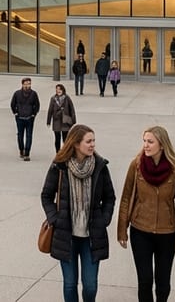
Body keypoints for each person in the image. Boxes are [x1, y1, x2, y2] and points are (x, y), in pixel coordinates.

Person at [40, 124, 116, 302]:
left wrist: (104, 219)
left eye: (93, 141)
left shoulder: (100, 166)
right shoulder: (59, 167)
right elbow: (46, 196)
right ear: (75, 143)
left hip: (91, 237)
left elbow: (110, 197)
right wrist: (55, 218)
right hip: (67, 236)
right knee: (69, 284)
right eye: (88, 141)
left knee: (90, 286)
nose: (92, 145)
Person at [117, 126, 175, 302]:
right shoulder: (136, 165)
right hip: (140, 230)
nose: (146, 145)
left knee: (163, 283)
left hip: (167, 233)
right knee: (145, 280)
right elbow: (126, 197)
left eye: (150, 142)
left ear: (162, 145)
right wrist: (121, 230)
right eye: (144, 141)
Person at [10, 77, 40, 161]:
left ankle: (27, 153)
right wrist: (15, 113)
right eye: (26, 84)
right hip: (20, 117)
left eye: (29, 83)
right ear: (22, 84)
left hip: (30, 118)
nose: (27, 85)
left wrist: (34, 114)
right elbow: (13, 104)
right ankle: (21, 149)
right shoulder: (17, 93)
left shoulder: (34, 94)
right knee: (20, 135)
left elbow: (37, 104)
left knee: (29, 135)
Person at [46, 84, 77, 152]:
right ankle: (58, 152)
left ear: (63, 90)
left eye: (60, 89)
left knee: (65, 138)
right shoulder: (53, 98)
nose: (58, 91)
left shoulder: (67, 98)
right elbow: (50, 110)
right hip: (56, 120)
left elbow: (72, 109)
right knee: (57, 138)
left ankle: (65, 152)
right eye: (57, 89)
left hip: (65, 121)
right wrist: (48, 121)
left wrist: (73, 119)